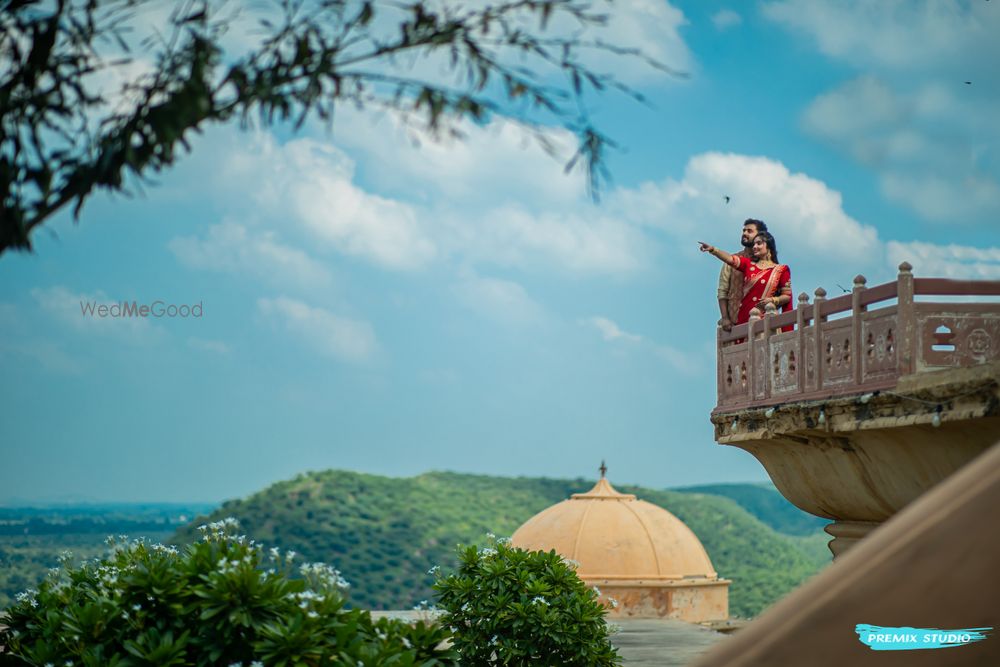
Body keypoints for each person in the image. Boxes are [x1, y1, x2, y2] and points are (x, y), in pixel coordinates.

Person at [700, 231, 793, 332]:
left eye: (759, 243)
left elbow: (787, 296)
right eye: (754, 244)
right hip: (745, 317)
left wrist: (772, 300)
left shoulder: (780, 269)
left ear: (769, 246)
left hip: (767, 319)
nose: (755, 247)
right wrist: (713, 250)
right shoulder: (748, 265)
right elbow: (730, 259)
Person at [717, 219, 767, 332]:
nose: (744, 233)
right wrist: (725, 318)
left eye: (749, 231)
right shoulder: (731, 260)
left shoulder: (768, 263)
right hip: (735, 326)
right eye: (744, 230)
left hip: (763, 326)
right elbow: (722, 291)